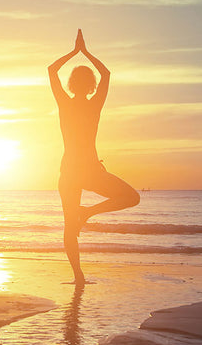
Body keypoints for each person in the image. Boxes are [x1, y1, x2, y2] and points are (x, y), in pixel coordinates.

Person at [49, 29, 139, 284]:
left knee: (69, 226)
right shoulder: (94, 104)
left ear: (71, 84)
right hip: (88, 169)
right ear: (91, 85)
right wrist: (86, 53)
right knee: (132, 197)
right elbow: (107, 74)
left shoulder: (64, 104)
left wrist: (74, 52)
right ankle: (88, 213)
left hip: (70, 171)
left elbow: (51, 70)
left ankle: (78, 277)